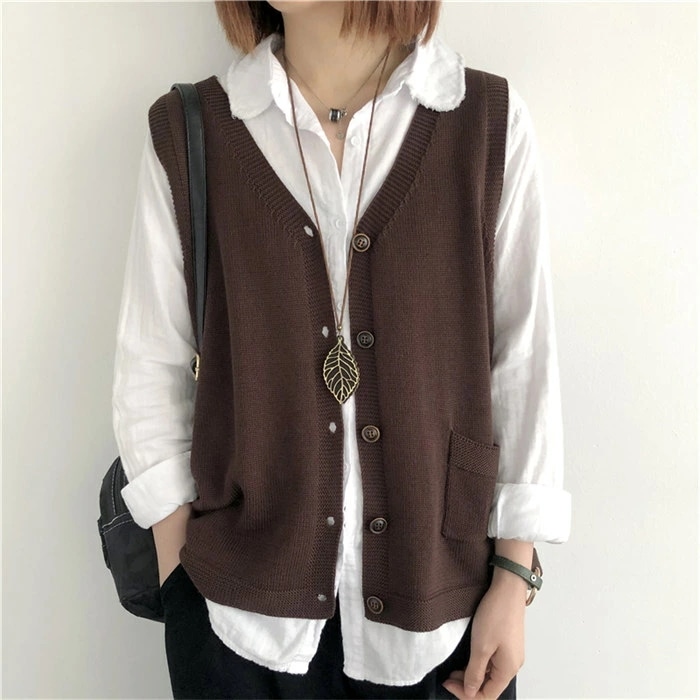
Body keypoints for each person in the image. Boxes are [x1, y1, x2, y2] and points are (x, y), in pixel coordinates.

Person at [112, 1, 571, 698]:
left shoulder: (484, 123)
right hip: (234, 622)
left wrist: (514, 574)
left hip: (446, 621)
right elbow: (150, 365)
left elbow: (524, 361)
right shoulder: (191, 130)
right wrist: (181, 582)